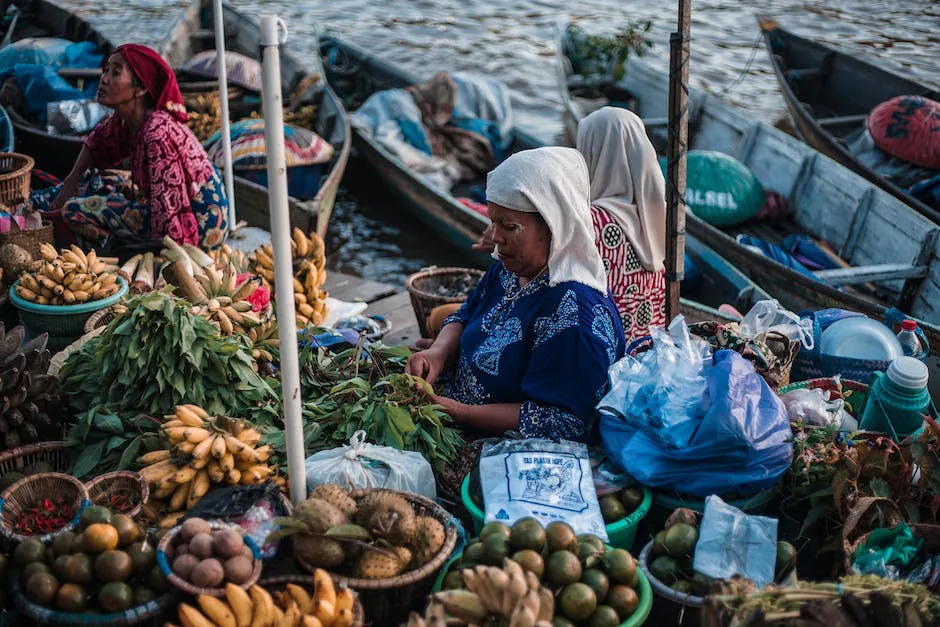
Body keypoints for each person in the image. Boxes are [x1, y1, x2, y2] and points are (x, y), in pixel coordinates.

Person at [406, 147, 625, 443]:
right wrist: (439, 353)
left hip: (510, 444)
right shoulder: (512, 266)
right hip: (455, 402)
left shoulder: (575, 318)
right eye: (493, 221)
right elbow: (468, 310)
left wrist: (460, 412)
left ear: (552, 226)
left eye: (509, 227)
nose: (495, 237)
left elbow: (563, 421)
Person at [471, 107, 667, 341]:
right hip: (649, 341)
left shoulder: (587, 221)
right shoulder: (659, 215)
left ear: (591, 152)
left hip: (605, 342)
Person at [31, 44, 229, 249]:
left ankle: (121, 248)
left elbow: (171, 211)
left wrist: (168, 256)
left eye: (115, 73)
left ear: (141, 88)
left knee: (73, 210)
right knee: (102, 181)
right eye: (106, 70)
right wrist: (71, 182)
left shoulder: (158, 134)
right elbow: (95, 143)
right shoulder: (125, 121)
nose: (104, 78)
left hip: (201, 221)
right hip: (163, 203)